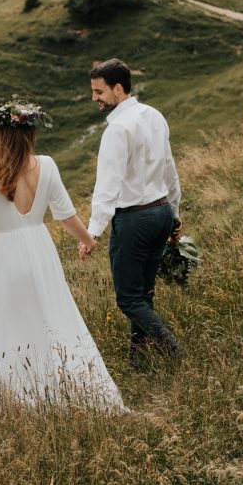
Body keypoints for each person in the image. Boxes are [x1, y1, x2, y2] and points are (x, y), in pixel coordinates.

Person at [0, 97, 126, 409]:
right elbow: (65, 215)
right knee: (50, 319)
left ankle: (13, 396)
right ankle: (59, 390)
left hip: (2, 256)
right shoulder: (46, 166)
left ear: (1, 138)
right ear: (30, 134)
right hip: (39, 252)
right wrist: (88, 240)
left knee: (2, 326)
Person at [79, 59, 183, 366]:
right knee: (143, 294)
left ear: (118, 89)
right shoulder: (153, 115)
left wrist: (92, 233)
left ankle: (173, 351)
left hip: (135, 219)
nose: (95, 98)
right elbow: (170, 169)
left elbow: (107, 186)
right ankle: (138, 360)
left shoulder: (117, 129)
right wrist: (174, 211)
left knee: (128, 298)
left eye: (99, 92)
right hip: (161, 211)